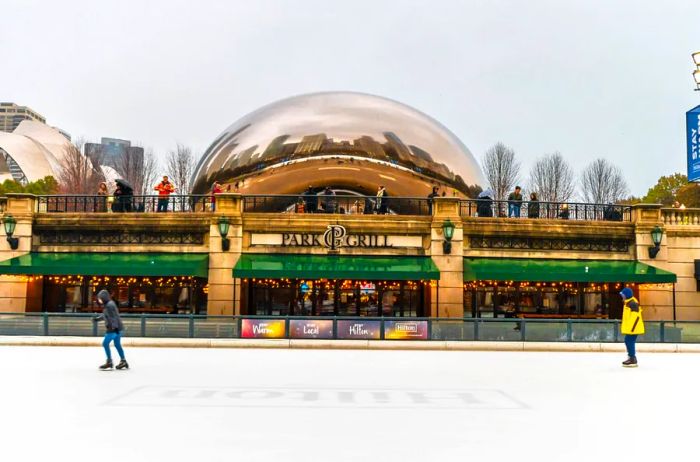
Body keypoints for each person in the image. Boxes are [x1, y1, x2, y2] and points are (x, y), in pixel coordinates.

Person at [93, 289, 128, 371]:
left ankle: (109, 362)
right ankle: (123, 361)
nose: (99, 300)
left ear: (104, 297)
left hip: (114, 329)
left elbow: (114, 317)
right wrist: (97, 319)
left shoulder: (109, 305)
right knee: (117, 344)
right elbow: (106, 315)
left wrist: (114, 329)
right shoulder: (109, 304)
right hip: (118, 328)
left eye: (100, 298)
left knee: (105, 343)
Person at [620, 287, 644, 367]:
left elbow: (635, 317)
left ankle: (632, 358)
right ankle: (631, 357)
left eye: (623, 295)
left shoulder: (632, 303)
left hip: (633, 328)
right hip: (632, 328)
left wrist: (631, 329)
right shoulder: (628, 303)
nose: (622, 296)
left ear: (627, 295)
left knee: (629, 341)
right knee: (628, 341)